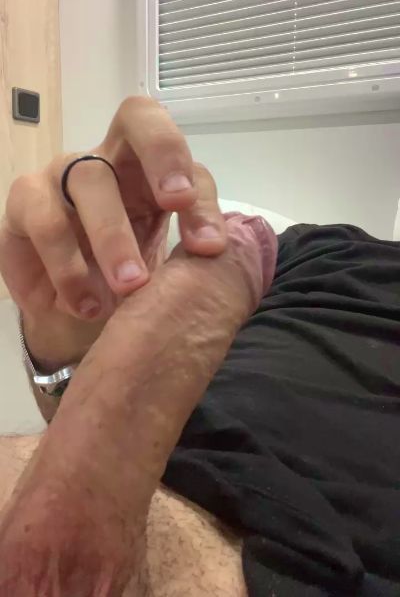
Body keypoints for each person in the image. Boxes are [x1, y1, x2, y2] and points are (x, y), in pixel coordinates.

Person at [0, 97, 399, 596]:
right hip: (225, 429)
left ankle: (62, 533)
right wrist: (71, 348)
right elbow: (61, 409)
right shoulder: (329, 254)